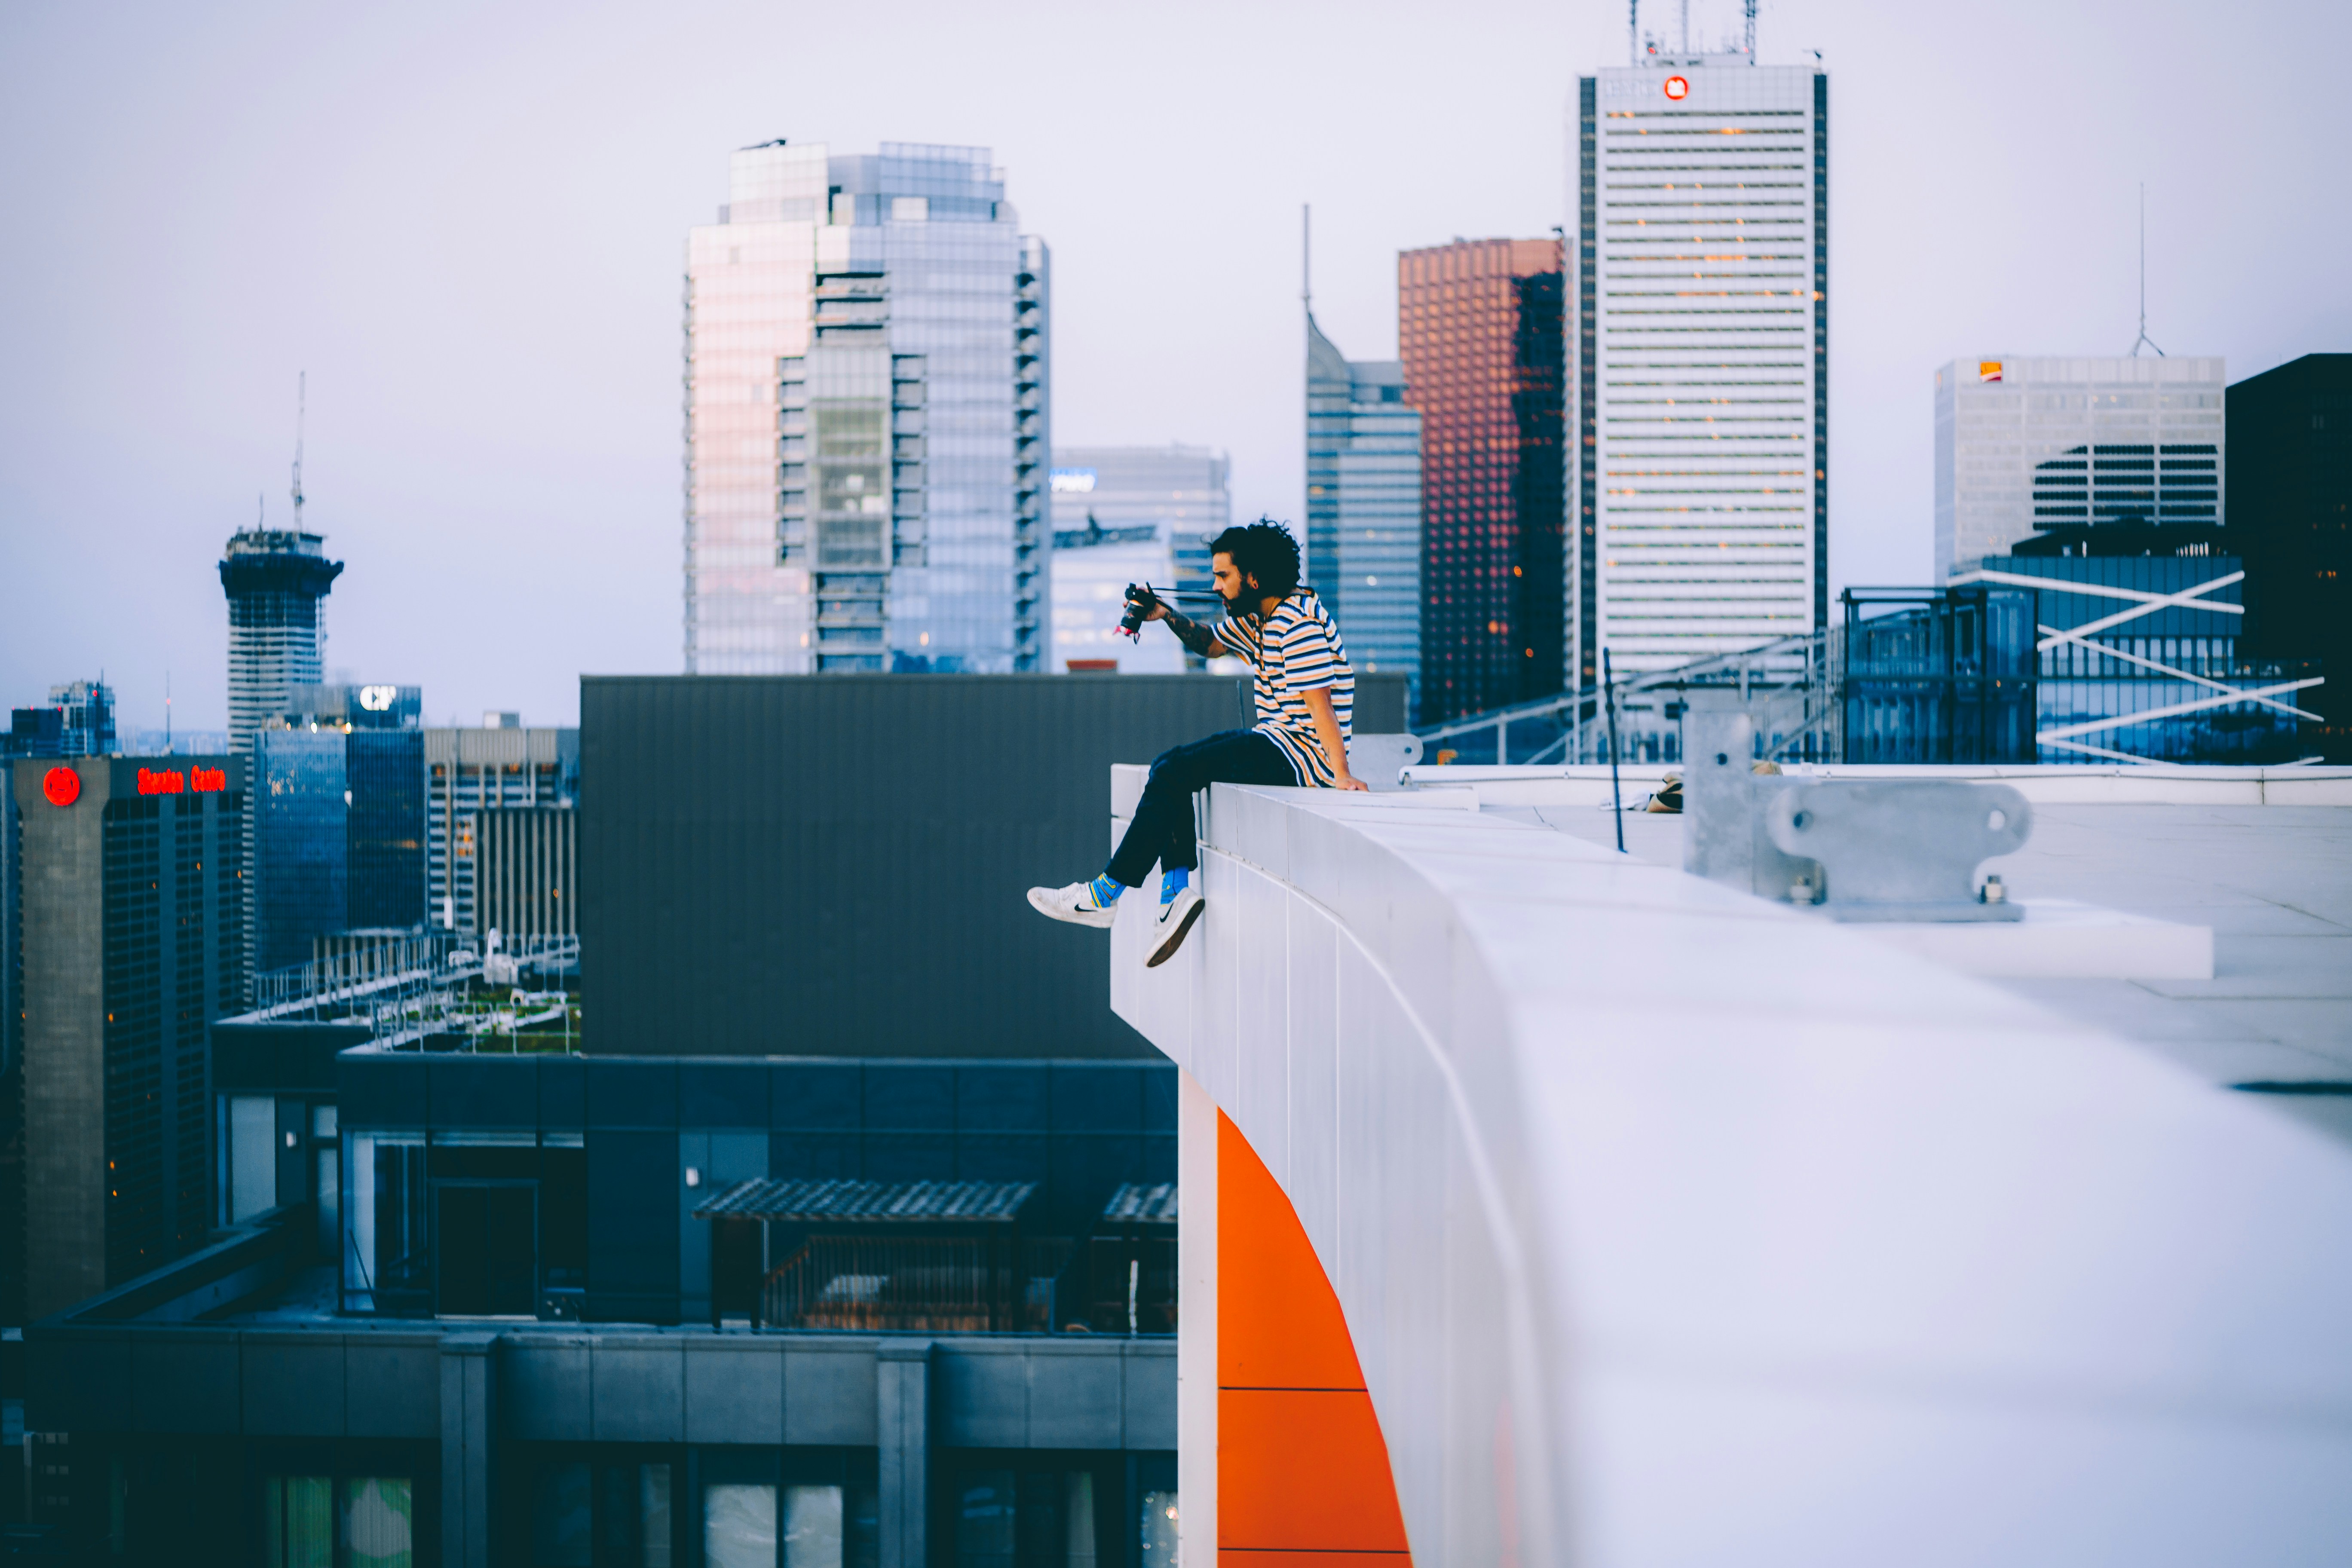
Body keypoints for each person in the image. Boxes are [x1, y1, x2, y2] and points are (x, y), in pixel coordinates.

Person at [1028, 519, 1365, 967]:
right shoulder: (1264, 617)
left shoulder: (1296, 621)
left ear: (1254, 579)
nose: (1216, 585)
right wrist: (1165, 614)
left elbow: (1319, 704)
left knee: (1174, 769)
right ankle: (1173, 894)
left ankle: (1107, 893)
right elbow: (1208, 643)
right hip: (1280, 742)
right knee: (1170, 766)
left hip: (1300, 757)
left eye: (1223, 576)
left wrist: (1340, 776)